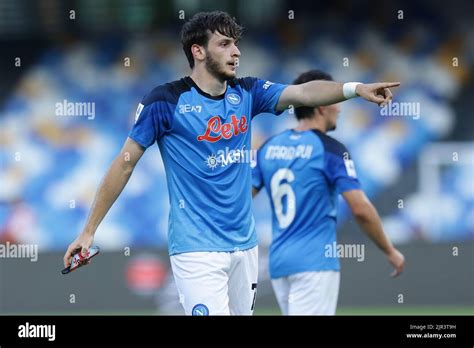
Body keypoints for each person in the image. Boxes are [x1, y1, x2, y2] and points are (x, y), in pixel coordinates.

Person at [63, 11, 400, 315]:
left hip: (245, 247)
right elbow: (124, 164)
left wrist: (356, 88)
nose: (236, 52)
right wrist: (89, 230)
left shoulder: (248, 93)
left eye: (236, 44)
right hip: (196, 248)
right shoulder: (164, 102)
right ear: (198, 51)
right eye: (224, 44)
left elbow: (304, 94)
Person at [252, 70, 405, 315]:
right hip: (314, 261)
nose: (340, 108)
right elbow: (360, 209)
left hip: (279, 263)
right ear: (321, 106)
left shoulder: (269, 147)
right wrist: (389, 250)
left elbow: (243, 198)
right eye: (335, 101)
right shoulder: (331, 150)